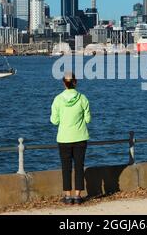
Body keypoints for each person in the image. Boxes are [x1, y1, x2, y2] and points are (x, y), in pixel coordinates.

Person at [51, 72, 91, 205]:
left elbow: (54, 121)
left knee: (66, 167)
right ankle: (78, 196)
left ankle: (68, 196)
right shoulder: (83, 98)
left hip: (64, 138)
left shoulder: (58, 99)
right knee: (79, 166)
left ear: (64, 83)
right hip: (80, 137)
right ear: (75, 82)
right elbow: (88, 119)